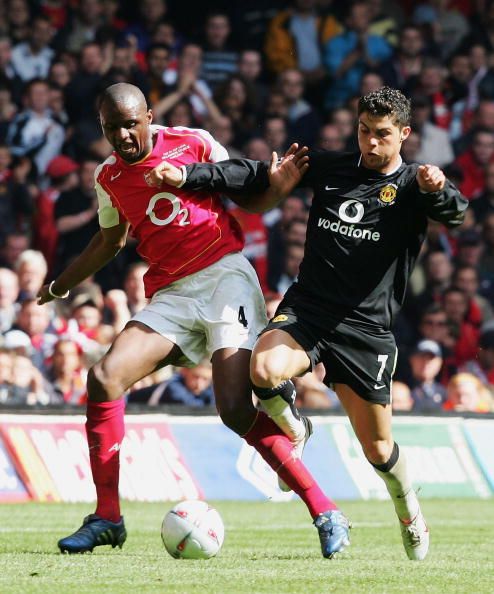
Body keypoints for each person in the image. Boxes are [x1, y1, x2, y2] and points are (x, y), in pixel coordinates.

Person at [153, 87, 468, 561]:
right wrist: (188, 174)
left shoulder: (411, 185)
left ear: (403, 133)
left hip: (366, 329)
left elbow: (457, 212)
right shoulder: (331, 166)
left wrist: (437, 189)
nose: (370, 143)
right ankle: (295, 428)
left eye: (382, 135)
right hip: (311, 308)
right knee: (264, 370)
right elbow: (254, 172)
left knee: (379, 450)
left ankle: (408, 510)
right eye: (364, 130)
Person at [37, 82, 342, 558]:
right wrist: (60, 284)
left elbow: (244, 193)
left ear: (149, 117)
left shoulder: (192, 141)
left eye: (130, 124)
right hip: (172, 294)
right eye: (112, 128)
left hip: (224, 278)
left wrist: (278, 188)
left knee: (235, 410)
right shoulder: (108, 177)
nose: (123, 136)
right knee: (103, 377)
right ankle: (107, 518)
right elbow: (109, 241)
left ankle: (325, 509)